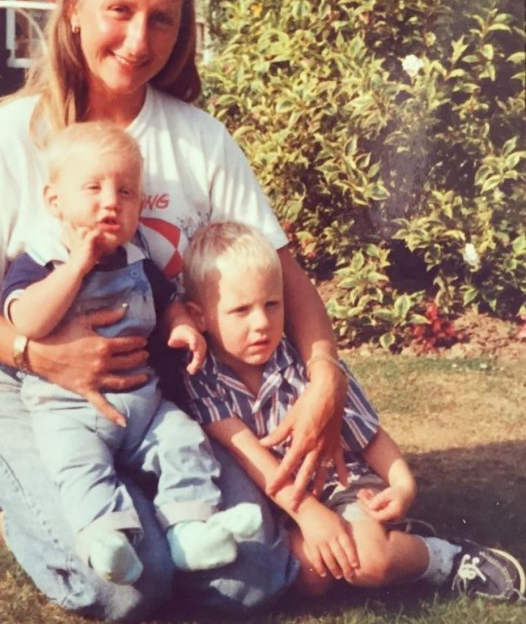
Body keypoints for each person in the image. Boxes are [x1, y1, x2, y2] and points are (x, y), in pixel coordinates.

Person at [0, 0, 348, 621]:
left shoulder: (199, 139)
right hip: (36, 394)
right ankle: (9, 499)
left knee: (243, 583)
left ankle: (141, 499)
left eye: (162, 20)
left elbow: (281, 267)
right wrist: (42, 355)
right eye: (118, 11)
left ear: (181, 32)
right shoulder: (7, 137)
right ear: (74, 10)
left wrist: (325, 373)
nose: (138, 39)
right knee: (127, 588)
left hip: (162, 399)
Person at [181, 220, 526, 602]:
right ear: (199, 317)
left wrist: (403, 483)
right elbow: (252, 459)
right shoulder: (202, 378)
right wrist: (309, 515)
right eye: (241, 310)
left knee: (368, 562)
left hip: (342, 483)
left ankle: (445, 558)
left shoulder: (308, 366)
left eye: (271, 304)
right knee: (311, 577)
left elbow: (369, 433)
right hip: (281, 502)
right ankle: (388, 542)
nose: (261, 323)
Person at [1, 120, 261, 585]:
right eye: (94, 188)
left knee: (183, 439)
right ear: (54, 201)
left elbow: (166, 304)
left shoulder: (138, 254)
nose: (110, 201)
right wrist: (78, 264)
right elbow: (27, 321)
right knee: (79, 466)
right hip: (68, 409)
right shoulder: (42, 257)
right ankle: (105, 540)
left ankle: (190, 528)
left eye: (125, 192)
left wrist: (181, 328)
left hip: (144, 407)